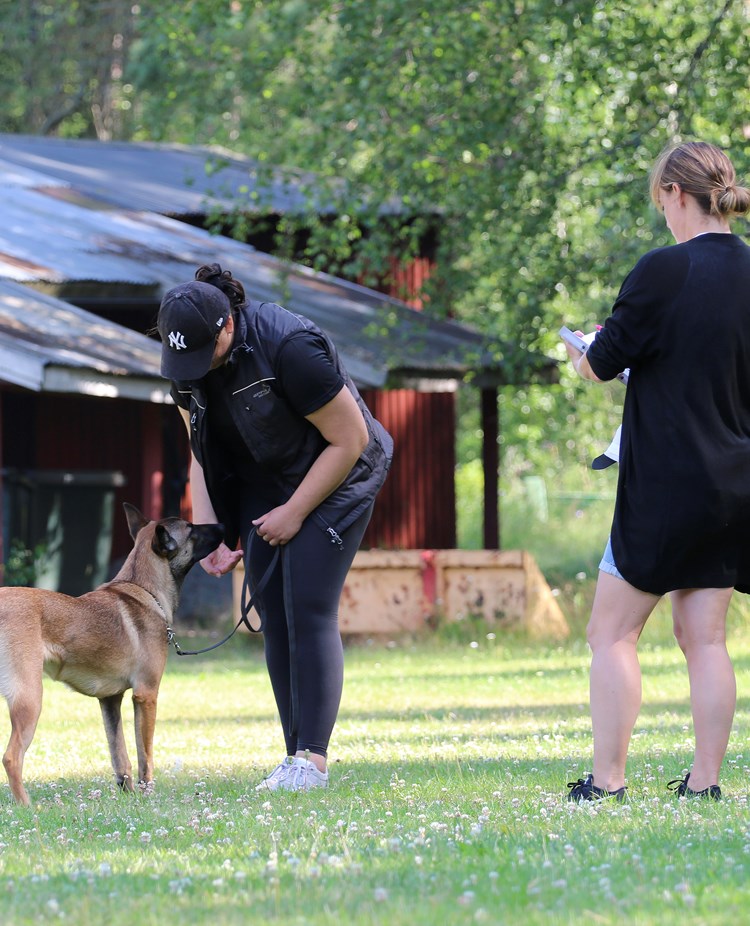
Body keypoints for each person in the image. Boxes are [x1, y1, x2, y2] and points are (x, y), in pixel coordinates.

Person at [157, 263, 393, 792]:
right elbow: (200, 454)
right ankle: (292, 759)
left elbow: (349, 440)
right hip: (263, 479)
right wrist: (211, 535)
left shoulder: (290, 347)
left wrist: (294, 512)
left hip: (338, 474)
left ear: (227, 327)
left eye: (203, 354)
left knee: (305, 605)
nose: (192, 369)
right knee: (271, 615)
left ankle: (313, 761)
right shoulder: (186, 364)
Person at [563, 141, 750, 802]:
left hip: (663, 484)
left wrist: (587, 349)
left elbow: (602, 363)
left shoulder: (662, 270)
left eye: (661, 201)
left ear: (675, 193)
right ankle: (705, 784)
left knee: (611, 632)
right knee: (705, 639)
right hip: (734, 485)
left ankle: (608, 781)